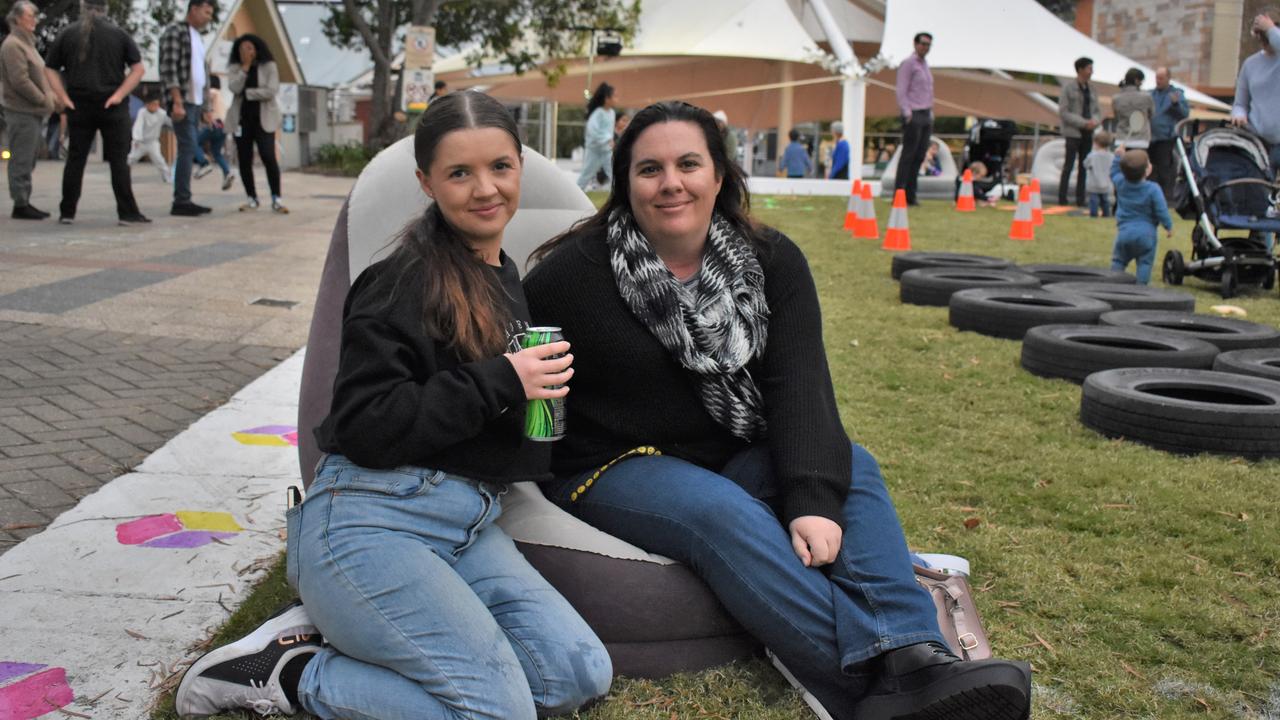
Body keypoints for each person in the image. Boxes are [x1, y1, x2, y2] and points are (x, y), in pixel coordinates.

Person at [524, 100, 1033, 720]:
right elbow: (536, 399)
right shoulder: (569, 276)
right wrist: (531, 467)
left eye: (689, 163)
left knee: (851, 465)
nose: (671, 183)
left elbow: (800, 385)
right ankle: (867, 685)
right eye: (649, 169)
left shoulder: (770, 260)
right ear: (625, 182)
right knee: (720, 512)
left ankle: (912, 655)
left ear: (719, 174)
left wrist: (812, 497)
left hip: (728, 448)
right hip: (611, 463)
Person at [174, 91, 612, 719]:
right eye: (459, 173)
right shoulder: (398, 281)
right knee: (498, 712)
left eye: (500, 167)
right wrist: (501, 381)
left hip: (468, 525)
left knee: (577, 672)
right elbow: (364, 425)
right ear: (426, 182)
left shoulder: (504, 276)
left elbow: (488, 418)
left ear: (520, 166)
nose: (485, 188)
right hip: (371, 520)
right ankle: (289, 675)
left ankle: (358, 631)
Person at [43, 0, 148, 225]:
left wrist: (63, 97)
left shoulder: (68, 33)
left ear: (83, 7)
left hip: (78, 103)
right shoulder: (118, 34)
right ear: (104, 9)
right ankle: (127, 212)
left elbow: (49, 68)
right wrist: (119, 94)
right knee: (119, 160)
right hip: (112, 104)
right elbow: (138, 69)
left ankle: (67, 212)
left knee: (76, 158)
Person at [158, 0, 215, 217]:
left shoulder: (198, 38)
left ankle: (184, 196)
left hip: (195, 102)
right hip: (182, 101)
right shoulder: (176, 32)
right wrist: (176, 100)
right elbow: (169, 67)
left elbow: (204, 75)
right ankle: (181, 199)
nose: (209, 17)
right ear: (194, 9)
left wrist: (207, 107)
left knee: (188, 147)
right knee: (188, 146)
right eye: (207, 12)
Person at [1, 0, 56, 220]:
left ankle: (24, 199)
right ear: (17, 19)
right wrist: (43, 99)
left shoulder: (27, 44)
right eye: (29, 16)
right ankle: (20, 203)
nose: (34, 20)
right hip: (21, 110)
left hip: (32, 111)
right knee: (22, 158)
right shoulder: (13, 45)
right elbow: (20, 80)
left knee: (29, 157)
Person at [225, 33, 287, 213]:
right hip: (241, 120)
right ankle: (251, 197)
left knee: (268, 156)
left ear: (257, 49)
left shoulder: (269, 66)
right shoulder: (236, 68)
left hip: (264, 119)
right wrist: (244, 69)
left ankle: (276, 197)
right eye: (242, 48)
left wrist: (250, 93)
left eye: (249, 48)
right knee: (244, 159)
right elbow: (234, 88)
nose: (246, 51)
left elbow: (271, 90)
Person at [1110, 148, 1172, 284]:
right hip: (1147, 235)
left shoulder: (1120, 183)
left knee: (1118, 261)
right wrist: (1168, 226)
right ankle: (1140, 291)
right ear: (1146, 171)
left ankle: (1112, 286)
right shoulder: (1153, 189)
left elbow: (1113, 173)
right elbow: (1161, 209)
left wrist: (1118, 157)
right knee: (1144, 264)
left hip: (1124, 233)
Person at [1231, 9, 1280, 173]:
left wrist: (1271, 28)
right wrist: (1239, 114)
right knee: (1261, 193)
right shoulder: (1250, 64)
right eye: (1260, 33)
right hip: (1259, 142)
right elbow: (1240, 103)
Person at [894, 31, 934, 206]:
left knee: (920, 155)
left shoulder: (925, 65)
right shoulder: (908, 64)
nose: (925, 47)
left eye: (928, 45)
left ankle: (911, 194)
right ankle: (900, 194)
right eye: (923, 44)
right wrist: (907, 113)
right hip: (914, 114)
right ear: (915, 44)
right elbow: (901, 90)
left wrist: (930, 113)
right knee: (908, 155)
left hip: (926, 114)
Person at [1058, 56, 1101, 207]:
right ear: (1081, 69)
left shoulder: (1093, 90)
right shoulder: (1068, 88)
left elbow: (1097, 111)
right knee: (1068, 165)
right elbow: (1064, 111)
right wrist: (1083, 123)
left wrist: (1094, 122)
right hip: (1073, 133)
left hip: (1088, 134)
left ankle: (1080, 199)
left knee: (1084, 167)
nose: (1091, 71)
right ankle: (1062, 199)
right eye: (1089, 68)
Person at [1149, 67, 1189, 199]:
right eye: (1157, 78)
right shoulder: (1150, 94)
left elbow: (1184, 114)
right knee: (1149, 169)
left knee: (1164, 169)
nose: (1158, 81)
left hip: (1166, 138)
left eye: (1161, 78)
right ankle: (1150, 196)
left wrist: (1176, 104)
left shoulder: (1176, 94)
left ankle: (1165, 197)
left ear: (1168, 78)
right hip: (1149, 138)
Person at [576, 82, 616, 190]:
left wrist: (610, 141)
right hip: (593, 151)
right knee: (586, 175)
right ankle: (574, 195)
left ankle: (620, 200)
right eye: (614, 96)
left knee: (614, 175)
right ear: (607, 99)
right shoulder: (598, 113)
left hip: (606, 151)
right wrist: (608, 139)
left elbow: (609, 131)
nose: (616, 99)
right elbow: (592, 130)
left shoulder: (612, 113)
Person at [126, 93, 171, 183]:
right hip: (140, 142)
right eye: (153, 104)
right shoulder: (142, 112)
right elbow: (138, 125)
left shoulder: (161, 113)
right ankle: (123, 176)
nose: (156, 107)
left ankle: (167, 177)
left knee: (159, 160)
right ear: (147, 104)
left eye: (157, 104)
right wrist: (136, 139)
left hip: (153, 142)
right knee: (131, 159)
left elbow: (170, 122)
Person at [1111, 67, 1154, 150]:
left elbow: (1116, 116)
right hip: (1141, 140)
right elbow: (1151, 114)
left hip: (1121, 139)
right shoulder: (1146, 97)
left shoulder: (1116, 98)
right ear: (1137, 81)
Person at [193, 111, 235, 190]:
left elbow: (209, 108)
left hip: (213, 124)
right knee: (217, 153)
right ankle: (227, 173)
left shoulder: (207, 100)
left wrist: (210, 121)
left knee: (194, 143)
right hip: (223, 127)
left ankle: (204, 164)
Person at [1085, 130, 1114, 218]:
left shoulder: (1092, 155)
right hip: (1106, 183)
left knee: (1094, 200)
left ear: (1096, 142)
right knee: (1105, 200)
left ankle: (1094, 215)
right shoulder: (1111, 156)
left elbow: (1085, 164)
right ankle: (1106, 214)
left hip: (1094, 183)